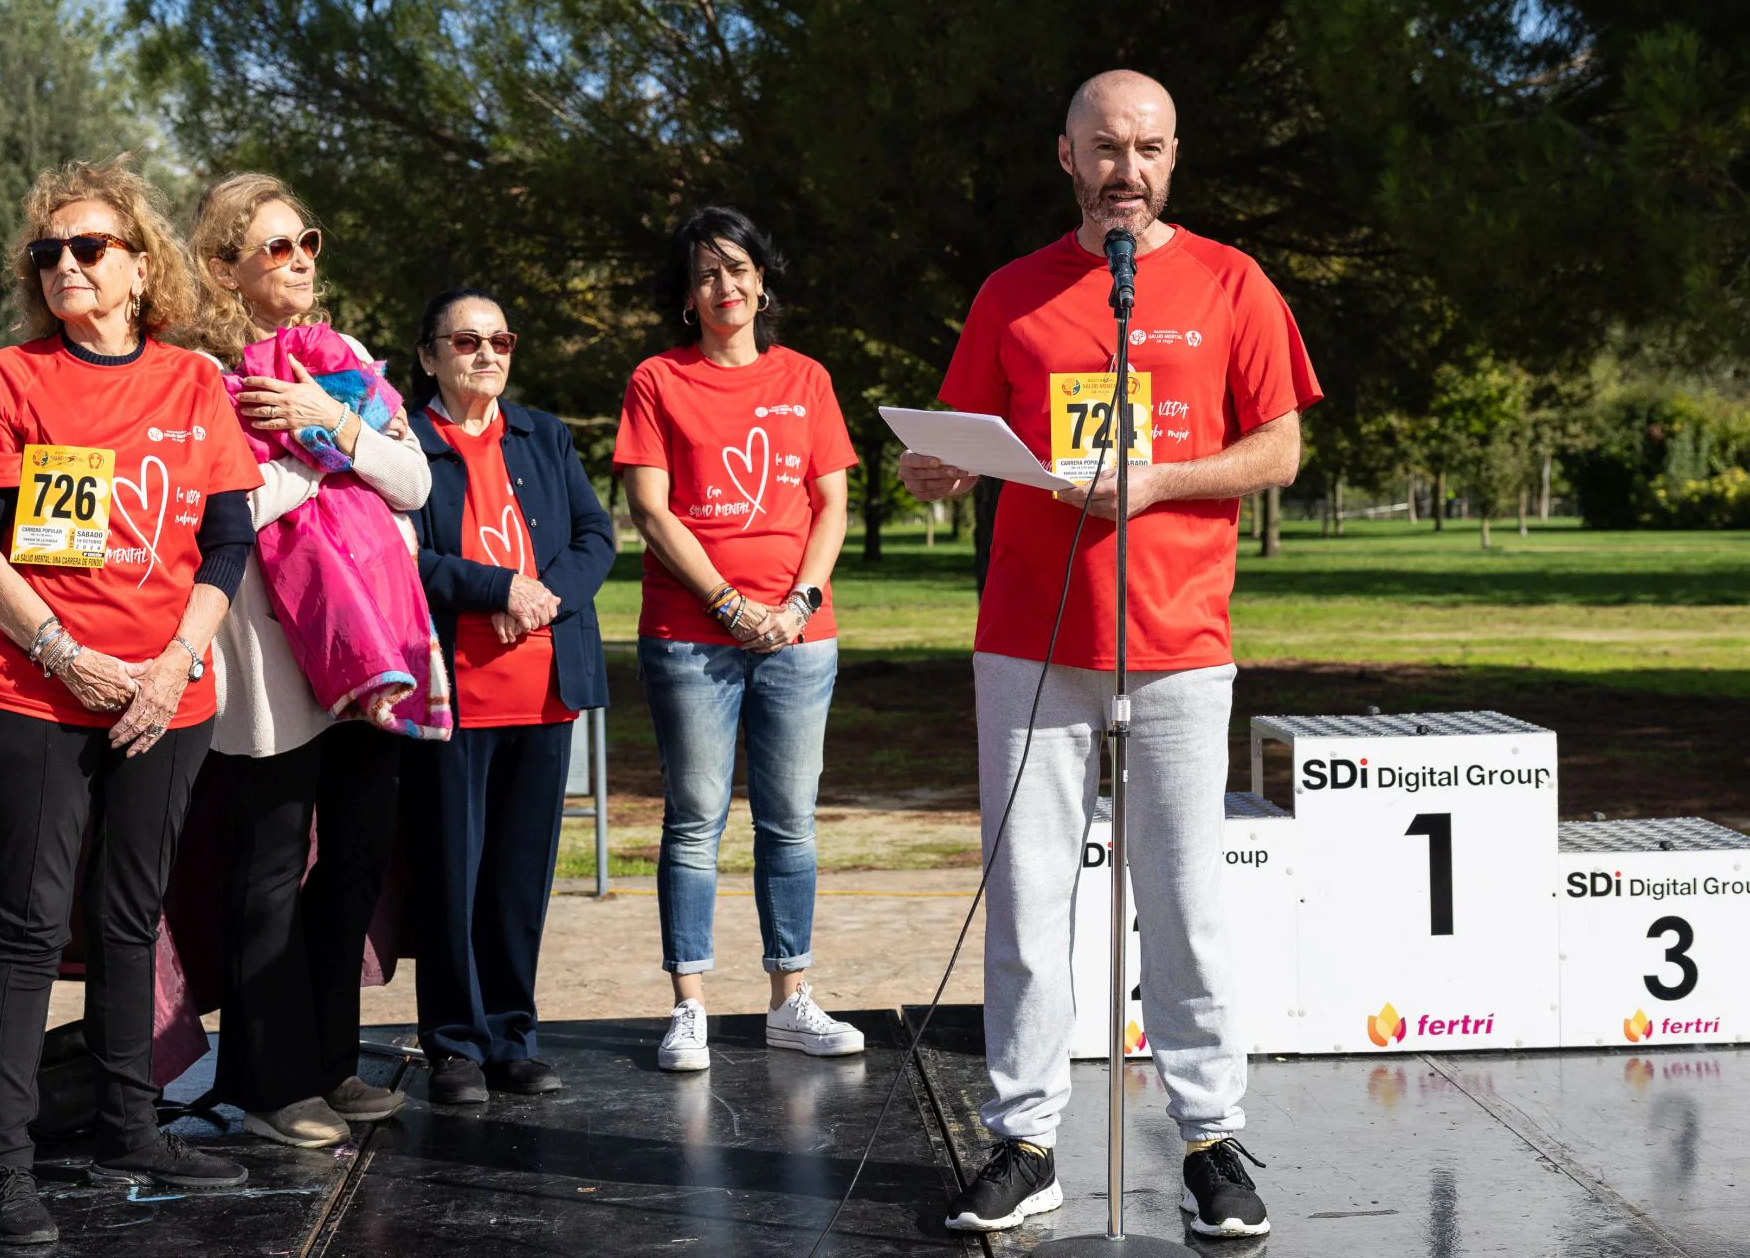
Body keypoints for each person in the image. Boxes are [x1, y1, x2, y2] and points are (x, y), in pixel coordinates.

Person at [900, 71, 1319, 1238]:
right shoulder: (1013, 293)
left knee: (1184, 898)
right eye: (1104, 147)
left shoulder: (1232, 281)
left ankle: (1209, 1137)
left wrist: (1159, 481)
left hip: (1180, 640)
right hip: (1031, 638)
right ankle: (1026, 1140)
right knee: (1030, 898)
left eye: (1146, 147)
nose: (1125, 168)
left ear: (1175, 156)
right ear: (1066, 157)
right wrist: (935, 468)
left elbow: (1280, 446)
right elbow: (957, 436)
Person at [0, 157, 261, 1245]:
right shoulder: (13, 377)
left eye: (89, 248)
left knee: (133, 916)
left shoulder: (192, 382)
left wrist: (174, 665)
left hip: (168, 695)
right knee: (27, 928)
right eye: (50, 253)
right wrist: (61, 650)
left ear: (139, 264)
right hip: (30, 694)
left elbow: (229, 539)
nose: (66, 265)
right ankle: (6, 1166)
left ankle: (132, 1123)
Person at [186, 173, 435, 1148]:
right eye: (274, 246)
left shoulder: (341, 360)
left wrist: (328, 420)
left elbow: (413, 479)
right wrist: (316, 451)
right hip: (270, 654)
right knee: (270, 868)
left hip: (364, 645)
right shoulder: (205, 378)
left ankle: (330, 1060)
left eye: (306, 242)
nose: (298, 261)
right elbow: (228, 512)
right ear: (224, 268)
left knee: (358, 858)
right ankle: (266, 1083)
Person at [614, 207, 863, 1074]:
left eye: (739, 269)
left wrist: (796, 604)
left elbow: (831, 503)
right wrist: (727, 604)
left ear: (764, 280)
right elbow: (650, 508)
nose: (726, 286)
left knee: (790, 825)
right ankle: (690, 1008)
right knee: (694, 823)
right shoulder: (658, 380)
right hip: (691, 637)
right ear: (689, 297)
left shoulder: (807, 379)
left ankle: (792, 1001)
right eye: (707, 274)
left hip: (799, 637)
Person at [405, 287, 615, 1102]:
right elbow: (404, 559)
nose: (486, 354)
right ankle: (454, 1046)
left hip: (546, 693)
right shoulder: (407, 446)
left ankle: (512, 1037)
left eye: (499, 340)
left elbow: (597, 537)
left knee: (520, 880)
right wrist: (496, 590)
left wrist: (541, 599)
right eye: (465, 341)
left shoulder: (545, 435)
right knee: (452, 877)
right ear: (429, 357)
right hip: (452, 698)